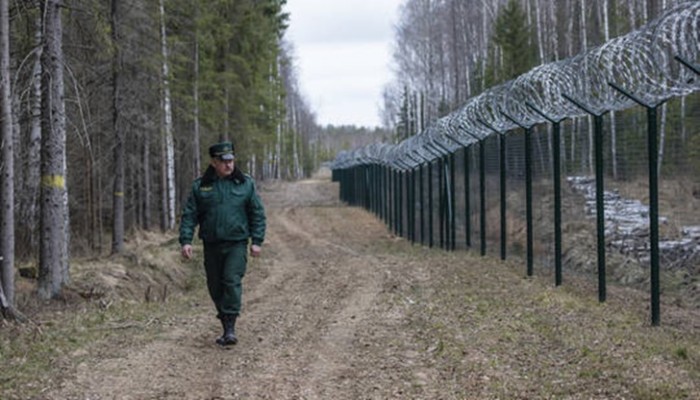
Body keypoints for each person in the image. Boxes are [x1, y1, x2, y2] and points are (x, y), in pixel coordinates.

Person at [179, 141, 266, 346]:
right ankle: (225, 320)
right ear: (214, 162)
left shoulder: (245, 184)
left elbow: (257, 214)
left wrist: (257, 241)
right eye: (224, 161)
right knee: (215, 285)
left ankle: (230, 328)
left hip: (236, 243)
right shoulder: (202, 185)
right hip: (211, 244)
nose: (229, 165)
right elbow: (190, 215)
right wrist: (186, 241)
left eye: (231, 160)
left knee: (231, 280)